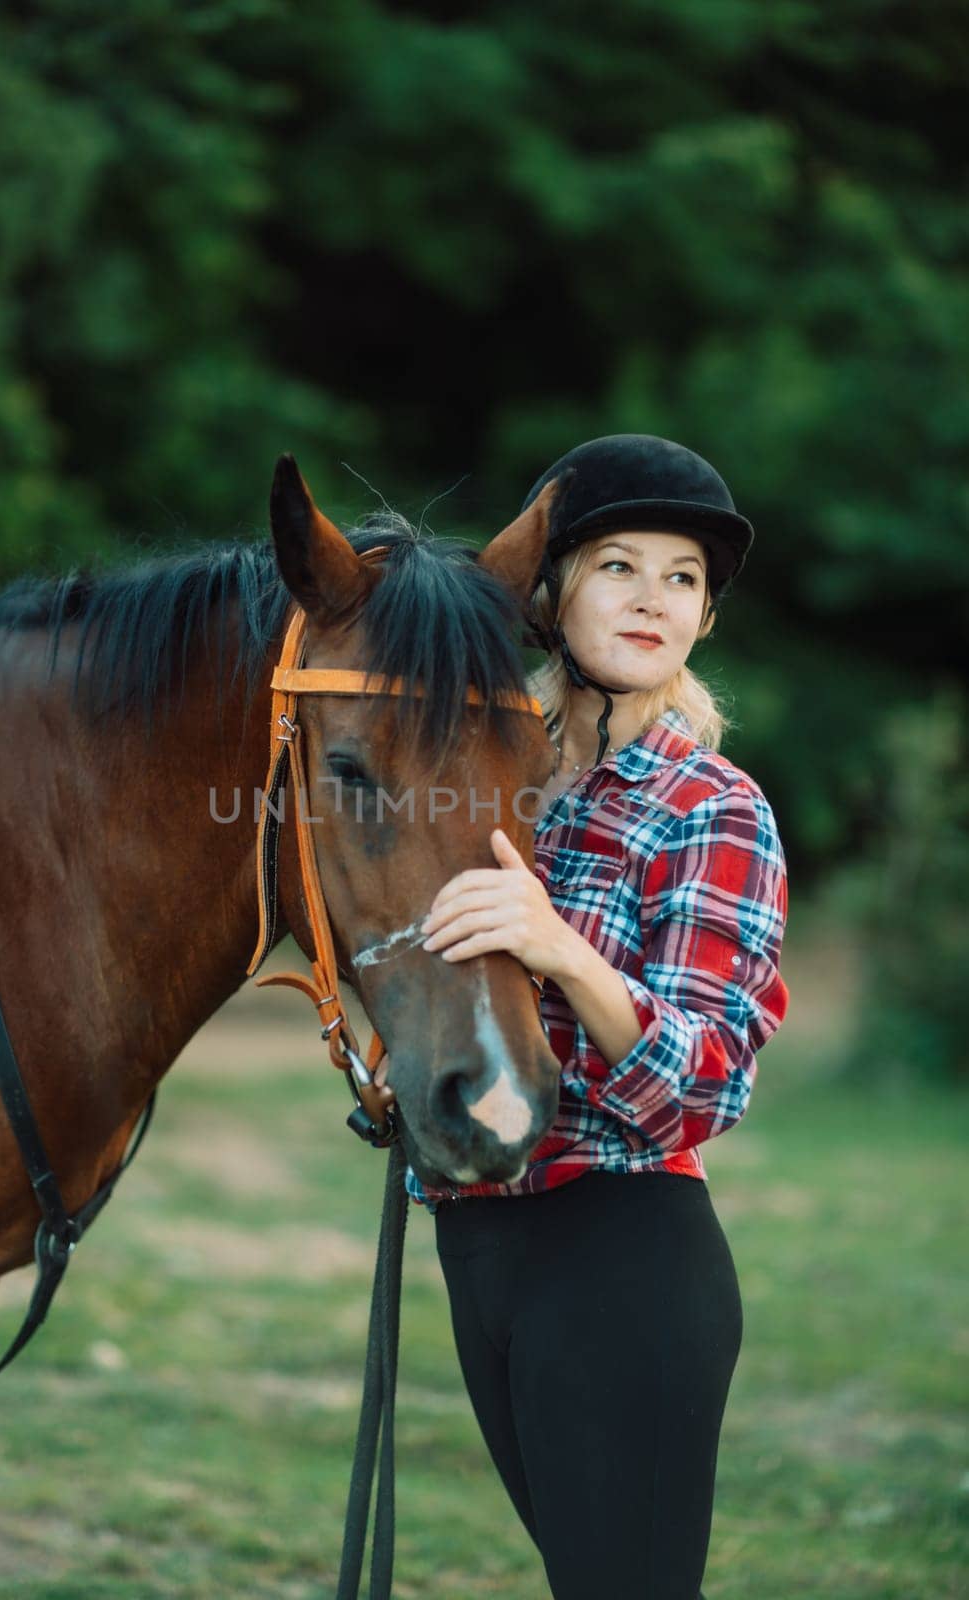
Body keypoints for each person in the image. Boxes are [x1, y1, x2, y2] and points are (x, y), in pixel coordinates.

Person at [376, 434, 790, 1600]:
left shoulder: (711, 806)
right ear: (550, 591)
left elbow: (703, 1083)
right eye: (618, 564)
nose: (653, 598)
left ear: (704, 618)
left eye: (682, 577)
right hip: (479, 1241)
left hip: (622, 1247)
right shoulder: (478, 777)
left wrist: (554, 946)